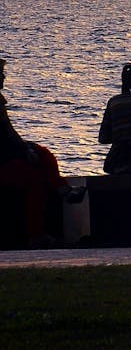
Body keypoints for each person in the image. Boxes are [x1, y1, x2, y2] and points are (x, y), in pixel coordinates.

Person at [1, 58, 69, 247]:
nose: (3, 77)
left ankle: (60, 187)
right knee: (35, 179)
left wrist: (27, 147)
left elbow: (10, 135)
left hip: (8, 154)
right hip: (4, 160)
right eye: (1, 73)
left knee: (44, 154)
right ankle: (35, 234)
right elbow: (6, 137)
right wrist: (25, 149)